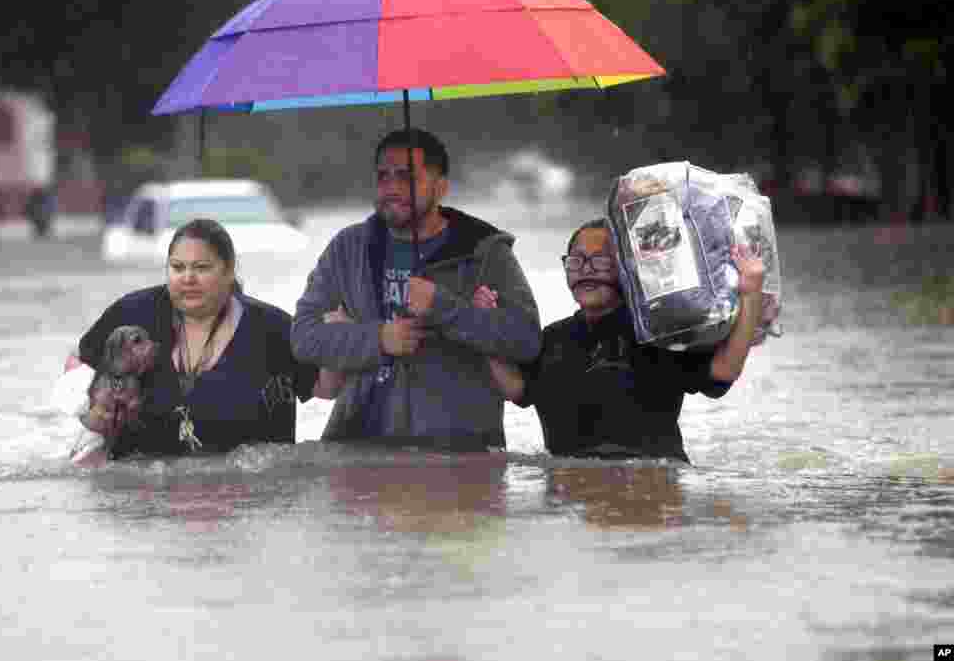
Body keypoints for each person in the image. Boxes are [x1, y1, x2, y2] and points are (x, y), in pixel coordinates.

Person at [291, 128, 542, 451]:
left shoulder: (484, 252)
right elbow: (303, 337)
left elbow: (527, 339)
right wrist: (379, 338)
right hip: (357, 450)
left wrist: (445, 307)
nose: (392, 188)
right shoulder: (348, 248)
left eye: (406, 177)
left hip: (460, 455)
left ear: (441, 188)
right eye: (383, 177)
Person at [474, 218, 764, 463]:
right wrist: (485, 326)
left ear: (628, 268)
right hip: (570, 502)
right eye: (576, 260)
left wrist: (751, 293)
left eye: (600, 260)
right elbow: (517, 389)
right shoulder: (554, 337)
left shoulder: (657, 331)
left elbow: (724, 370)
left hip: (652, 493)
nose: (586, 269)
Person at [66, 218, 343, 459]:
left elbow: (324, 388)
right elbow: (78, 365)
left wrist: (335, 336)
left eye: (201, 268)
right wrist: (91, 413)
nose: (188, 278)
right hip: (146, 501)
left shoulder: (272, 328)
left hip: (247, 501)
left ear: (228, 270)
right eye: (177, 267)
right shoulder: (133, 313)